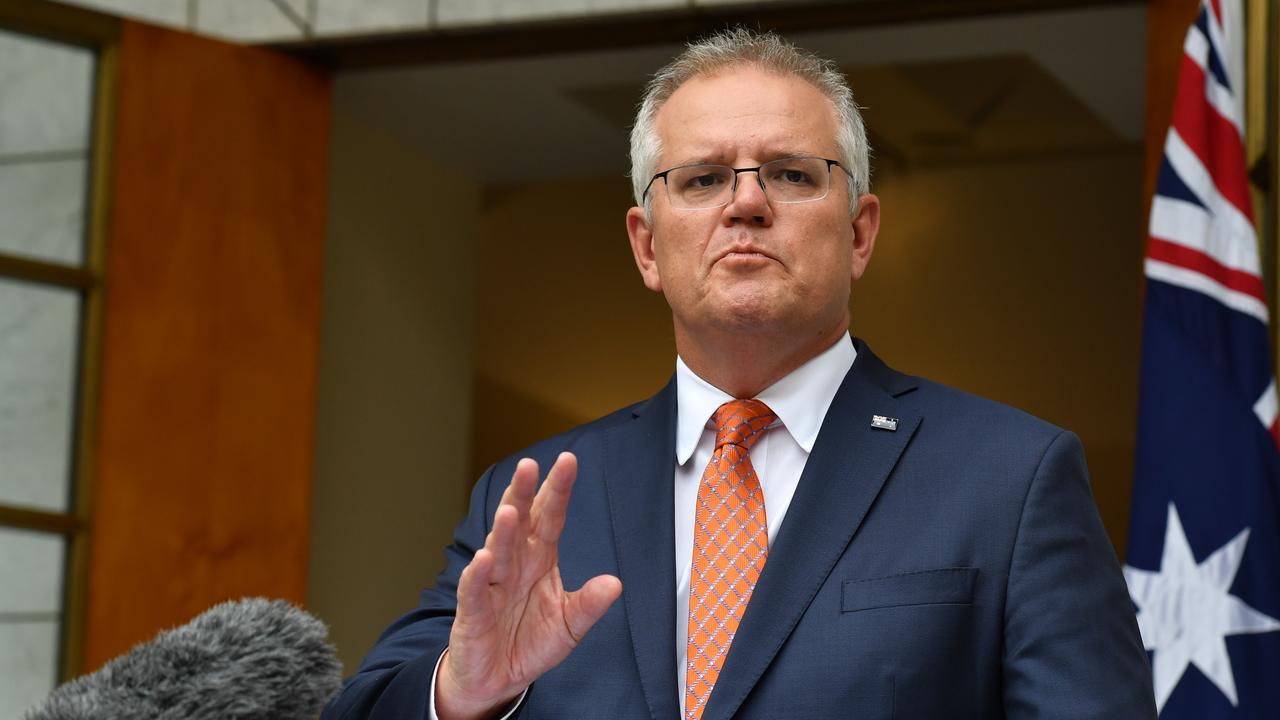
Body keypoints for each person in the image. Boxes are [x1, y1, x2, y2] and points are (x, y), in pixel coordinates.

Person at [322, 29, 1156, 720]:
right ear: (647, 245)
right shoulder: (536, 500)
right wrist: (463, 694)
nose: (746, 203)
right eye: (703, 179)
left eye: (791, 174)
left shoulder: (1012, 478)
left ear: (860, 232)